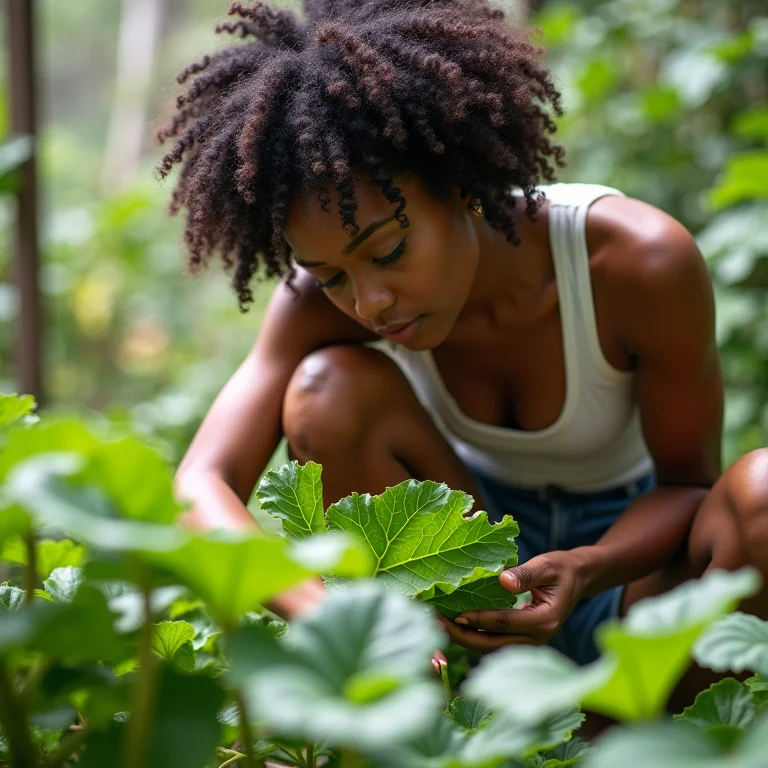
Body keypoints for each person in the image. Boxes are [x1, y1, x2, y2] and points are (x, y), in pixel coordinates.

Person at [159, 0, 768, 705]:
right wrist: (328, 619)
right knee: (328, 389)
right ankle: (448, 701)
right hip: (461, 568)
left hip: (629, 580)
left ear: (458, 187)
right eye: (330, 276)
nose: (369, 302)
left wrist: (587, 566)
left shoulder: (635, 264)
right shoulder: (318, 306)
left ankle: (626, 731)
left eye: (386, 250)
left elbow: (689, 487)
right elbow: (199, 485)